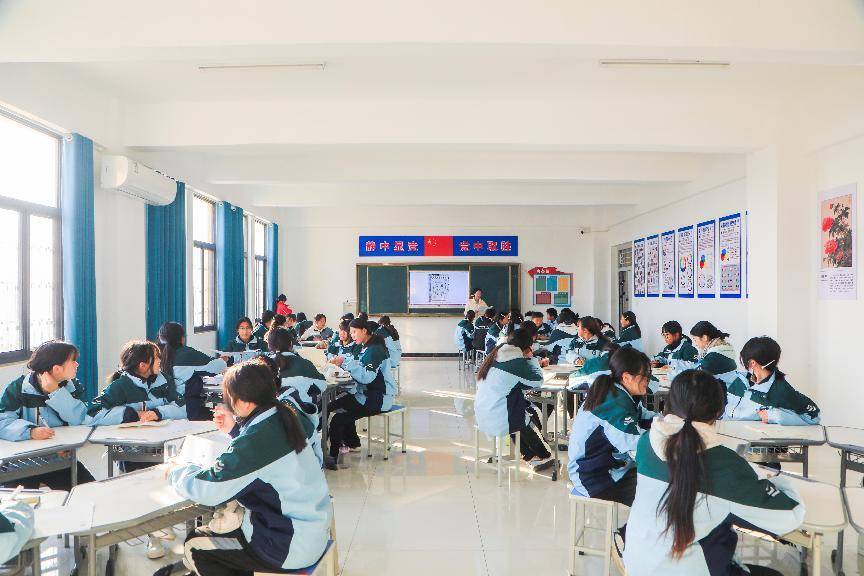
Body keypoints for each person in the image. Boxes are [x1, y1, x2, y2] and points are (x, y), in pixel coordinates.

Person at [624, 369, 805, 576]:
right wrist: (778, 480)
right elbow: (791, 514)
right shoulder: (725, 464)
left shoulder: (646, 442)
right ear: (719, 412)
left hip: (638, 562)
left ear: (668, 404)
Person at [170, 361, 331, 575]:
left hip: (285, 546)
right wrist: (235, 430)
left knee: (196, 544)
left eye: (229, 398)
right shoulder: (286, 416)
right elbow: (266, 454)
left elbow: (208, 490)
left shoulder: (255, 442)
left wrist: (175, 471)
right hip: (312, 530)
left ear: (243, 403)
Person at [90, 340, 188, 558]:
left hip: (163, 444)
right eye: (157, 358)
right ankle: (153, 534)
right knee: (146, 484)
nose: (161, 361)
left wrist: (159, 413)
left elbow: (182, 408)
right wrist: (129, 414)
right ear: (143, 365)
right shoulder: (119, 386)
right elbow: (94, 414)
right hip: (131, 450)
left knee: (171, 474)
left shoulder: (164, 380)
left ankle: (161, 522)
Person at [0, 340, 96, 489]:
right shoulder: (18, 388)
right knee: (19, 501)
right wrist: (30, 431)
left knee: (90, 491)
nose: (77, 364)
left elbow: (82, 419)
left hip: (58, 458)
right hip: (21, 462)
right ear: (57, 368)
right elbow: (3, 422)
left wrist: (56, 392)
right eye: (73, 361)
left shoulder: (73, 386)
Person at [568, 347, 655, 504]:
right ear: (627, 377)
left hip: (609, 465)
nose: (648, 380)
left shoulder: (619, 392)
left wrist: (669, 422)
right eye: (645, 376)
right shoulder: (614, 405)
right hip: (593, 477)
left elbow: (644, 416)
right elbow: (636, 447)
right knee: (660, 496)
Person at [474, 328, 555, 471]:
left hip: (482, 413)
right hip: (500, 419)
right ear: (527, 346)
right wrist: (532, 359)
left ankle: (529, 455)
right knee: (528, 416)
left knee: (519, 412)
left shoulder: (497, 354)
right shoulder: (516, 361)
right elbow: (537, 381)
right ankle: (545, 455)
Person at [325, 318, 397, 469]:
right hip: (366, 394)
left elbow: (366, 377)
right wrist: (343, 362)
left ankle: (332, 458)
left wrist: (345, 363)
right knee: (330, 405)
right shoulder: (366, 346)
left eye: (354, 332)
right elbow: (358, 364)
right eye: (350, 332)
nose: (352, 335)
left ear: (364, 331)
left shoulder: (375, 349)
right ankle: (349, 442)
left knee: (337, 418)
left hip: (378, 399)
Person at [724, 336, 820, 425]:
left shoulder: (781, 391)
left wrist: (774, 416)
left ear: (752, 363)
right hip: (725, 431)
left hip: (750, 436)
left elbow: (814, 416)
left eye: (744, 360)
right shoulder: (740, 379)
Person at [158, 322, 227, 421]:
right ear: (182, 338)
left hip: (164, 410)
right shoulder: (188, 354)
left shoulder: (156, 355)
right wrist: (222, 360)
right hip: (186, 410)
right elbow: (219, 366)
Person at [266, 327, 326, 428]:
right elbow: (323, 386)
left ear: (269, 345)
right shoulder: (305, 364)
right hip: (303, 421)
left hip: (272, 422)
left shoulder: (263, 366)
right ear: (291, 344)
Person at [677, 321, 739, 386]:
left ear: (704, 338)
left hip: (721, 391)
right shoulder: (722, 349)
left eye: (695, 340)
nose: (695, 344)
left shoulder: (714, 356)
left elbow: (695, 376)